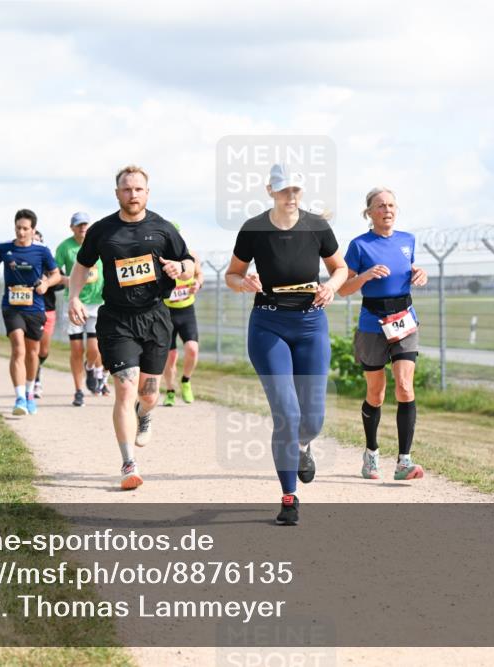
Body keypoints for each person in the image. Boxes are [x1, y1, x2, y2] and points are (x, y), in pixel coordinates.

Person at [225, 163, 347, 526]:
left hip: (311, 325)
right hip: (268, 325)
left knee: (313, 419)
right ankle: (289, 497)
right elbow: (232, 274)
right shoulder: (254, 229)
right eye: (283, 190)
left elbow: (339, 268)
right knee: (287, 414)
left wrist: (332, 286)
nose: (290, 196)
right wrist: (242, 282)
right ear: (270, 191)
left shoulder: (317, 226)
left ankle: (303, 446)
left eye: (295, 190)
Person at [68, 166, 194, 490]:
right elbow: (82, 265)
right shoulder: (102, 231)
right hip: (117, 319)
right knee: (124, 388)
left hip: (154, 317)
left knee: (148, 394)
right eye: (127, 190)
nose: (133, 195)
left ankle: (146, 412)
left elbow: (189, 262)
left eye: (138, 189)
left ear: (147, 193)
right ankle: (128, 464)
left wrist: (180, 267)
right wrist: (74, 297)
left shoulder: (163, 229)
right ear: (117, 194)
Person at [339, 187, 428, 481]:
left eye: (391, 205)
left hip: (404, 319)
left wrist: (420, 274)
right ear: (369, 212)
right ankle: (371, 454)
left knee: (404, 386)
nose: (387, 210)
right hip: (372, 324)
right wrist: (364, 276)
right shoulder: (359, 245)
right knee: (376, 394)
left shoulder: (407, 240)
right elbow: (343, 289)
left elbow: (410, 269)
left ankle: (404, 461)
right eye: (380, 206)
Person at [0, 209, 61, 416]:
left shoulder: (42, 251)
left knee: (32, 353)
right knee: (18, 349)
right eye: (18, 228)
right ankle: (19, 397)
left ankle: (29, 393)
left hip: (35, 307)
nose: (21, 232)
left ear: (33, 230)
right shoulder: (4, 248)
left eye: (25, 229)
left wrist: (46, 284)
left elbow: (56, 275)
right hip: (11, 306)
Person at [56, 211, 107, 406]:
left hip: (97, 301)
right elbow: (55, 273)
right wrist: (69, 279)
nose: (82, 228)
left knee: (94, 348)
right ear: (72, 228)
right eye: (79, 225)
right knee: (76, 349)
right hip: (75, 301)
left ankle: (90, 366)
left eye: (85, 224)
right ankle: (78, 391)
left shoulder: (99, 243)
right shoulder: (65, 248)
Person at [161, 223, 203, 406]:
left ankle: (186, 381)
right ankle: (170, 390)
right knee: (170, 357)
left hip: (186, 310)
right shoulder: (160, 258)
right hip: (167, 312)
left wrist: (197, 284)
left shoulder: (191, 256)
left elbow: (199, 275)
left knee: (192, 349)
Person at [31, 230, 64, 398]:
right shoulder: (23, 260)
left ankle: (38, 367)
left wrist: (47, 282)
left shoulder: (49, 262)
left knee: (44, 350)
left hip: (48, 309)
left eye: (37, 241)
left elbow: (61, 281)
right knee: (32, 347)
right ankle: (35, 381)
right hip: (29, 309)